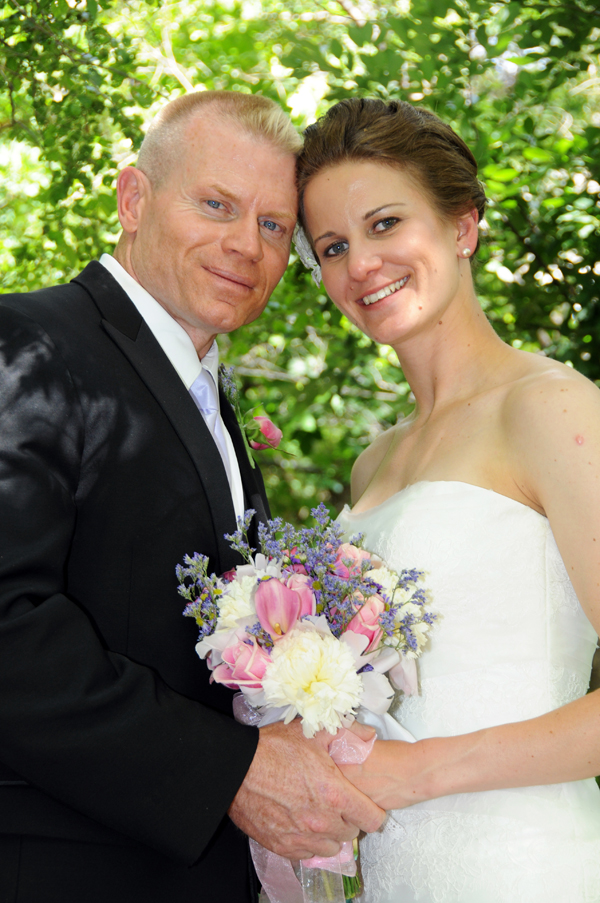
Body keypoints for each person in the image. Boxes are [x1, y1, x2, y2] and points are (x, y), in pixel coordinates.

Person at [0, 90, 384, 903]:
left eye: (274, 226)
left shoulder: (209, 399)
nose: (246, 245)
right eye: (216, 204)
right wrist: (232, 772)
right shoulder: (26, 343)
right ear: (132, 198)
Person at [296, 97, 600, 902]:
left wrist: (418, 771)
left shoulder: (551, 409)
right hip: (398, 871)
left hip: (525, 865)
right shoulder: (373, 461)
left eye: (386, 223)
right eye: (333, 245)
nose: (360, 263)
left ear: (462, 226)